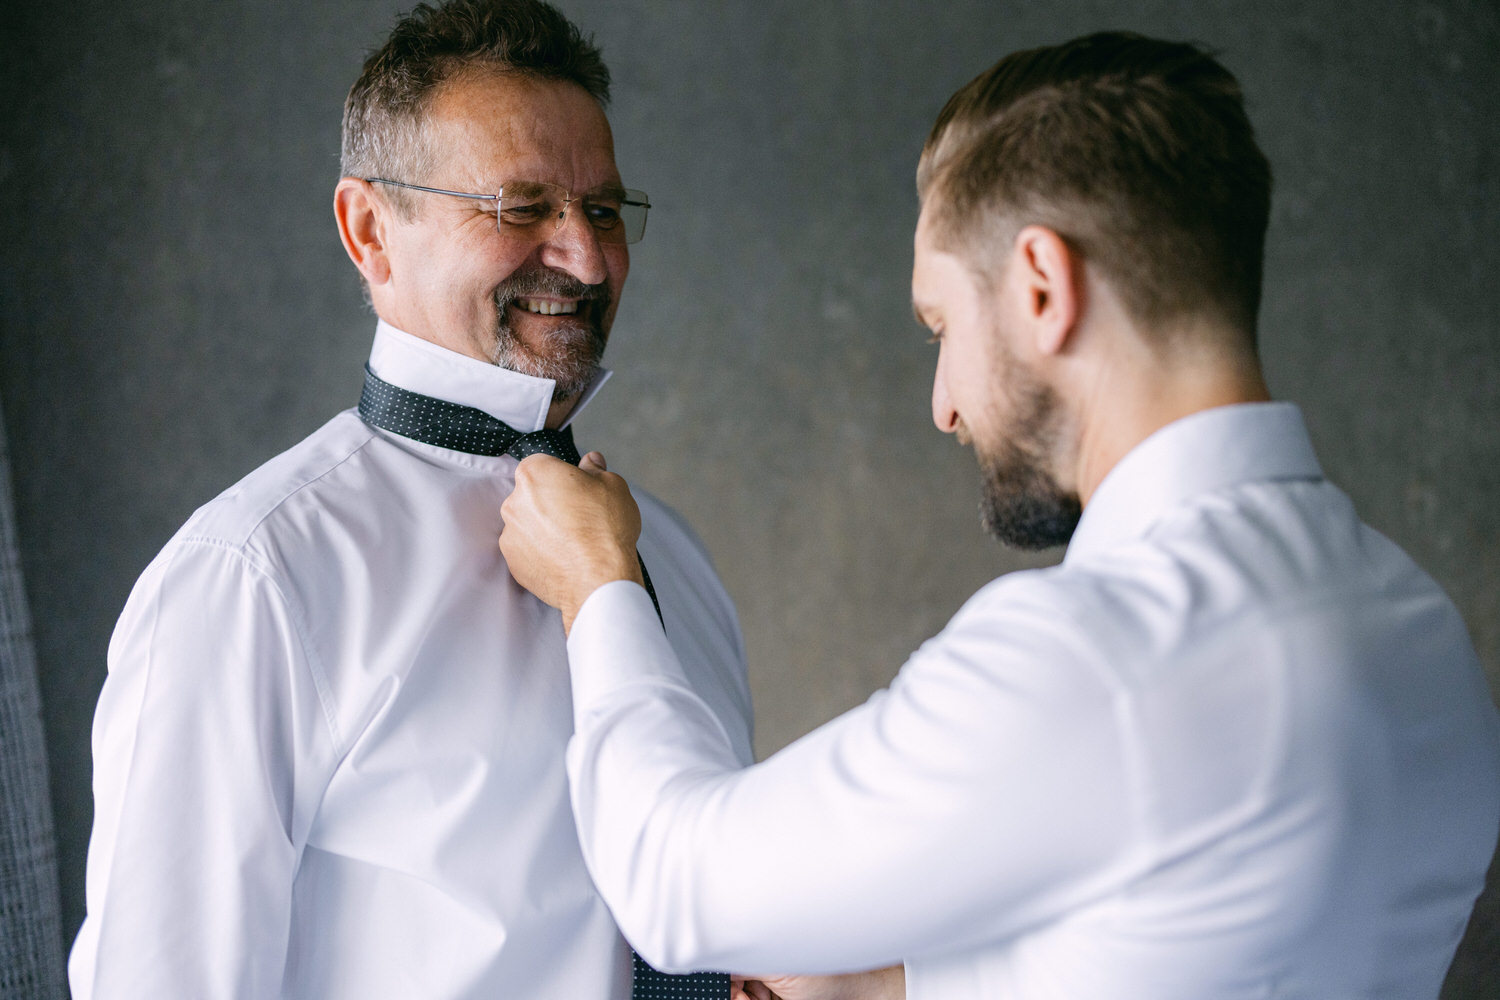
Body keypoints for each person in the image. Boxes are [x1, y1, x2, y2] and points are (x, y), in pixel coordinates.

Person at [497, 31, 1500, 1000]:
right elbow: (1202, 936)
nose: (943, 405)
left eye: (941, 324)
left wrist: (598, 583)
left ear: (1040, 286)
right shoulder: (1419, 630)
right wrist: (901, 989)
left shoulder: (1092, 658)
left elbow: (681, 887)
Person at [69, 2, 752, 997]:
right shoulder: (256, 579)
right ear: (369, 229)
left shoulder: (670, 564)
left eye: (603, 210)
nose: (589, 257)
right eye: (522, 207)